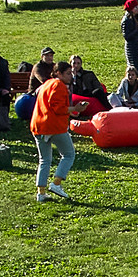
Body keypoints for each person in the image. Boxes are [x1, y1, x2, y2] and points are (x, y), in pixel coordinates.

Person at [29, 59, 77, 203]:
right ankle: (56, 183)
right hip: (53, 126)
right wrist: (75, 109)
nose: (71, 76)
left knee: (44, 160)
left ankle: (41, 193)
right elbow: (58, 108)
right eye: (68, 73)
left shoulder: (46, 84)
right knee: (69, 154)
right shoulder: (59, 85)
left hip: (38, 126)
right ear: (58, 73)